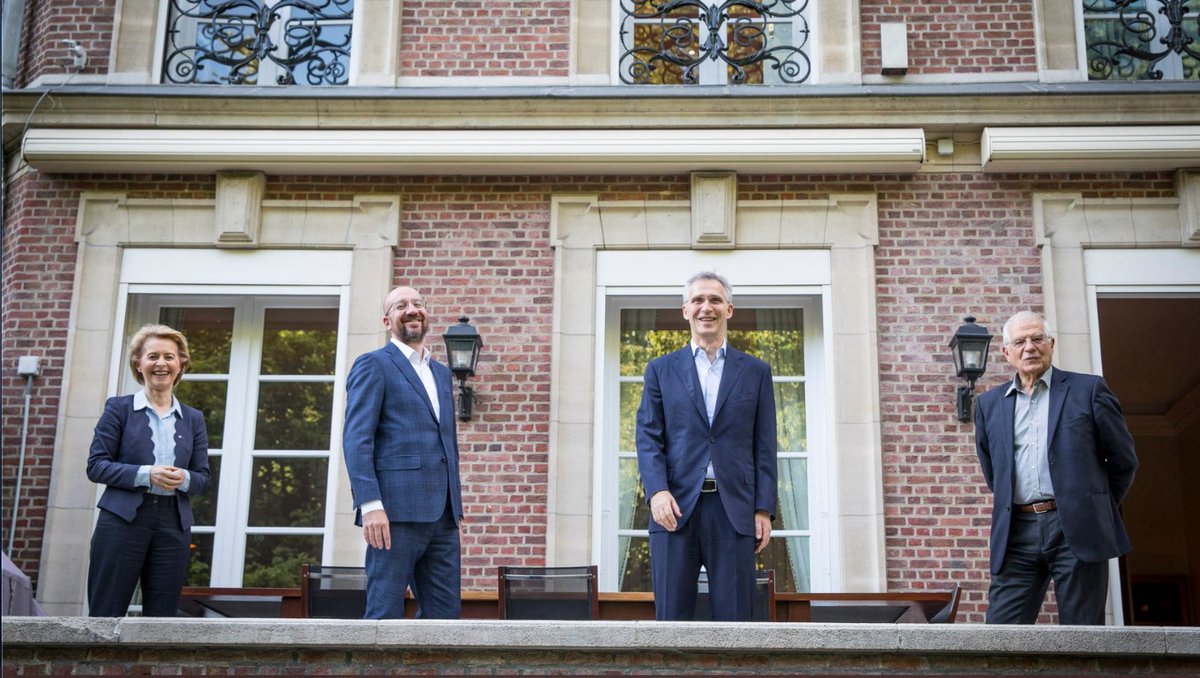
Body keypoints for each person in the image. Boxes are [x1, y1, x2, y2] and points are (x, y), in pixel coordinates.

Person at [974, 310, 1138, 625]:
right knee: (1000, 637)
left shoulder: (1088, 390)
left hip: (1075, 528)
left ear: (1051, 344)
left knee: (1082, 637)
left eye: (1037, 339)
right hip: (1017, 533)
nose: (1029, 347)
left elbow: (1123, 460)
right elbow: (994, 471)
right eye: (1019, 342)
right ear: (1007, 353)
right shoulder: (988, 405)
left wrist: (1092, 505)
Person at [635, 271, 778, 621]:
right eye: (698, 300)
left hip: (734, 512)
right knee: (672, 623)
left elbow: (765, 445)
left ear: (729, 309)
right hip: (675, 510)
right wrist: (657, 492)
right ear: (685, 311)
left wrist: (763, 508)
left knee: (735, 624)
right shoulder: (660, 370)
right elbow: (648, 436)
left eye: (714, 300)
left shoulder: (756, 372)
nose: (706, 307)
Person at [342, 286, 464, 619]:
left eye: (417, 304)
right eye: (401, 305)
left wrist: (455, 507)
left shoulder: (441, 373)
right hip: (393, 514)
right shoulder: (373, 365)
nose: (411, 309)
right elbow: (357, 439)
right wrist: (370, 505)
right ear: (387, 320)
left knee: (445, 619)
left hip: (444, 517)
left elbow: (444, 442)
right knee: (384, 614)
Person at [86, 324, 210, 617]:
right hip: (121, 521)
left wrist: (184, 479)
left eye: (169, 357)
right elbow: (96, 466)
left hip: (173, 526)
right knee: (106, 614)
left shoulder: (193, 419)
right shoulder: (119, 409)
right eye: (152, 356)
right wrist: (146, 474)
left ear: (181, 365)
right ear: (138, 365)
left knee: (162, 619)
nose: (161, 364)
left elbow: (202, 477)